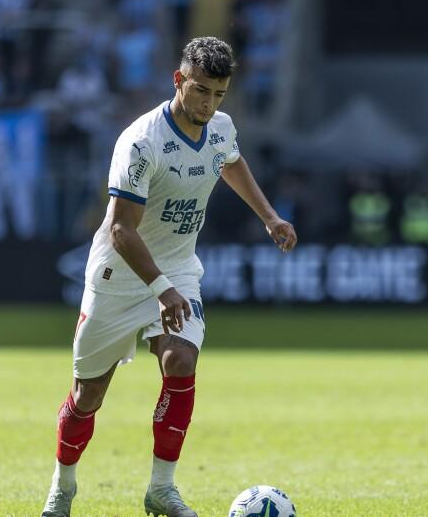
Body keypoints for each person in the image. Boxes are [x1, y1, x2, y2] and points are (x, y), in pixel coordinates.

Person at [41, 37, 297, 517]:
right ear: (178, 80)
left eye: (219, 94)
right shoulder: (141, 142)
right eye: (200, 90)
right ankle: (63, 487)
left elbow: (232, 162)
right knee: (88, 395)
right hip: (119, 273)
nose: (209, 103)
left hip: (178, 268)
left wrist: (269, 216)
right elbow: (120, 228)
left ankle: (161, 489)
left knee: (180, 360)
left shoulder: (219, 128)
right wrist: (160, 289)